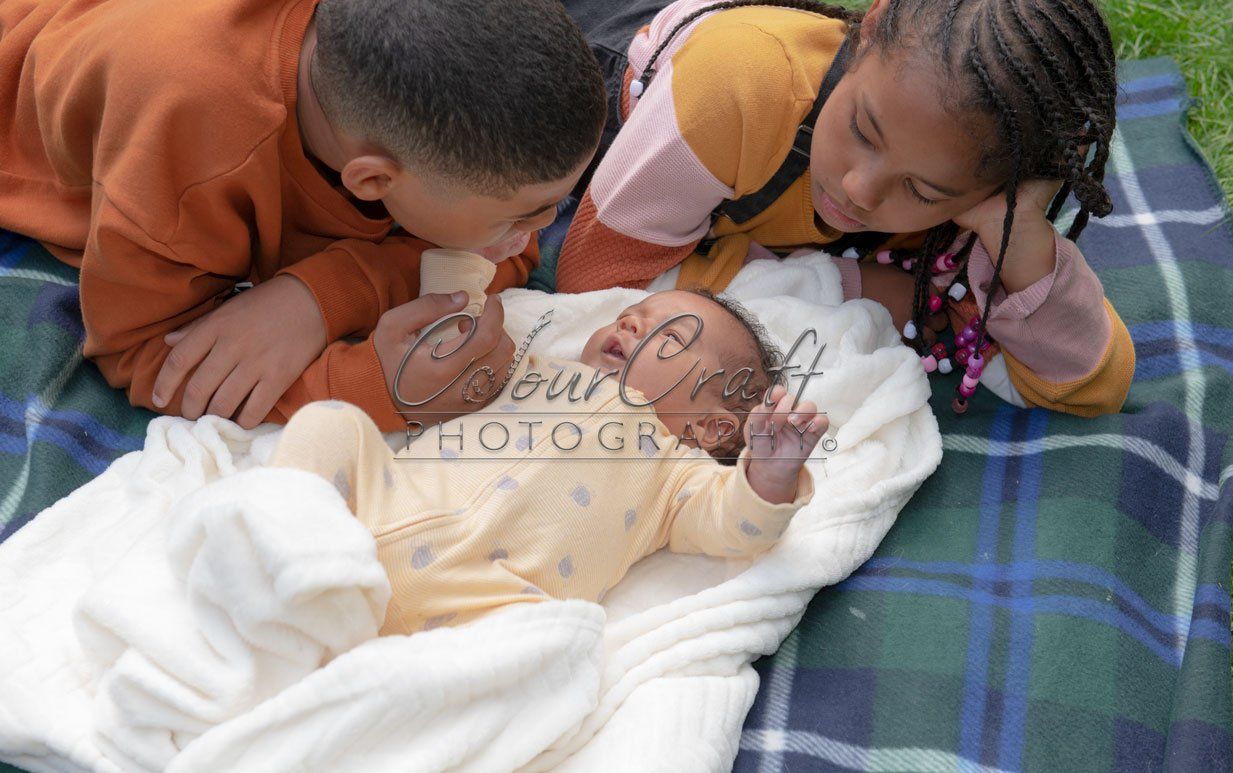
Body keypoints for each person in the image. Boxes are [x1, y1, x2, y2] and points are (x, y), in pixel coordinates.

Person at [0, 0, 606, 430]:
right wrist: (374, 386)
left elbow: (495, 251)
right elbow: (148, 356)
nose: (540, 230)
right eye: (520, 216)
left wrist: (320, 297)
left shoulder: (380, 80)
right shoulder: (187, 157)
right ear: (372, 180)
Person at [557, 0, 1135, 417]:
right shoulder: (736, 87)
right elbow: (594, 280)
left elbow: (1088, 386)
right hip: (587, 45)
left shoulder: (971, 198)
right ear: (872, 27)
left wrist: (1019, 230)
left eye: (922, 191)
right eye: (861, 128)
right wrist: (846, 283)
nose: (859, 190)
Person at [270, 289, 825, 634]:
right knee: (331, 423)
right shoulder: (534, 371)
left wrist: (769, 472)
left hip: (483, 602)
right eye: (629, 315)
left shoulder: (677, 476)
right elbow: (455, 383)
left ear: (710, 428)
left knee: (564, 645)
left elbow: (738, 526)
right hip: (366, 510)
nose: (630, 324)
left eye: (671, 336)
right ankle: (277, 541)